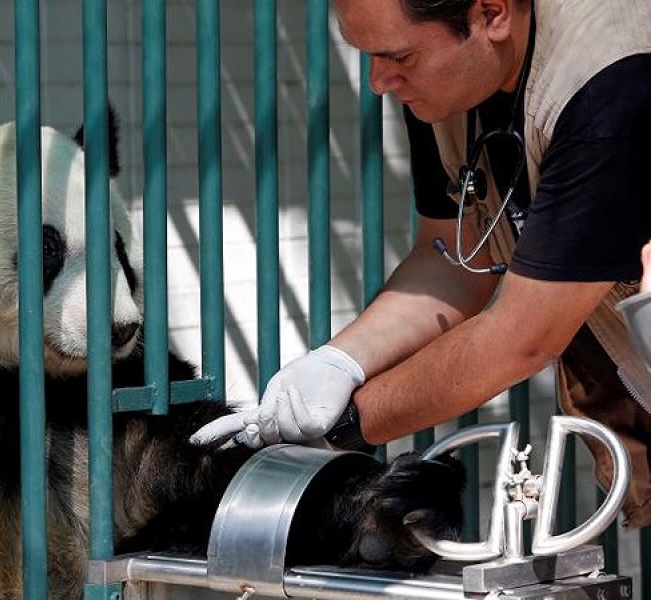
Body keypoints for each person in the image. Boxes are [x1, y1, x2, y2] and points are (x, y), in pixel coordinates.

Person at [192, 0, 651, 528]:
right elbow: (454, 258)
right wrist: (341, 361)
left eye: (398, 57)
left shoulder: (611, 85)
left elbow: (523, 337)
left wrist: (347, 422)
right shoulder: (454, 84)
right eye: (366, 57)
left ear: (492, 14)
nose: (377, 82)